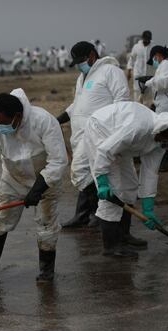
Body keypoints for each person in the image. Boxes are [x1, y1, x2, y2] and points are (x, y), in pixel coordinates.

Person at [0, 88, 68, 286]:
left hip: (46, 180)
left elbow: (58, 161)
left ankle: (46, 273)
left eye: (3, 122)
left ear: (17, 116)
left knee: (46, 225)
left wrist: (38, 189)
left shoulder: (44, 121)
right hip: (13, 179)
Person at [84, 101, 168, 258]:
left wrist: (148, 208)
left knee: (130, 186)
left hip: (121, 143)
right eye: (167, 143)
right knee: (114, 193)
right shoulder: (138, 128)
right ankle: (111, 246)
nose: (165, 147)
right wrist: (101, 181)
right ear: (164, 133)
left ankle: (123, 235)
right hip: (100, 131)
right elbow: (105, 150)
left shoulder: (161, 141)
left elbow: (150, 172)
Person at [57, 42, 135, 243]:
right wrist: (58, 120)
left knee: (86, 172)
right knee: (85, 173)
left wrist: (116, 133)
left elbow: (122, 101)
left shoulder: (111, 71)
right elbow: (77, 104)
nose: (78, 65)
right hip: (80, 134)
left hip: (100, 133)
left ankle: (103, 216)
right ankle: (93, 215)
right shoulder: (82, 77)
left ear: (92, 55)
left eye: (80, 61)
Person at [144, 46, 168, 172]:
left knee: (162, 131)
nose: (155, 61)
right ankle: (165, 160)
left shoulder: (167, 64)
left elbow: (164, 83)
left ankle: (167, 161)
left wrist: (149, 82)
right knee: (162, 131)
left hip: (166, 104)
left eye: (155, 58)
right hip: (164, 103)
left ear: (158, 54)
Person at [127, 30, 155, 104]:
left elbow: (156, 61)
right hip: (138, 73)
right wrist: (129, 70)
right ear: (142, 38)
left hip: (149, 74)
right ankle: (137, 108)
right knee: (137, 92)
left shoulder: (153, 47)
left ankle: (146, 109)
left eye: (148, 39)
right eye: (145, 39)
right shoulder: (136, 47)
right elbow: (132, 59)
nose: (147, 41)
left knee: (148, 93)